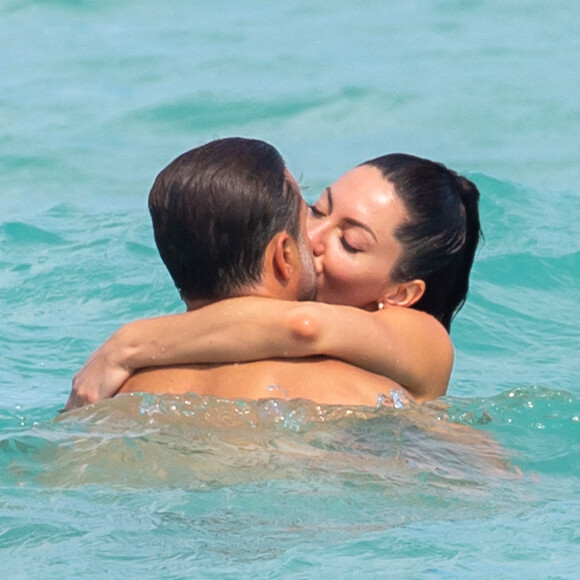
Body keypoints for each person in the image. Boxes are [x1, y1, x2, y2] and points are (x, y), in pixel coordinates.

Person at [66, 142, 482, 409]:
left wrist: (126, 345)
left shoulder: (420, 338)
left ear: (403, 292)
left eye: (350, 242)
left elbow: (303, 326)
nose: (312, 235)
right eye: (317, 209)